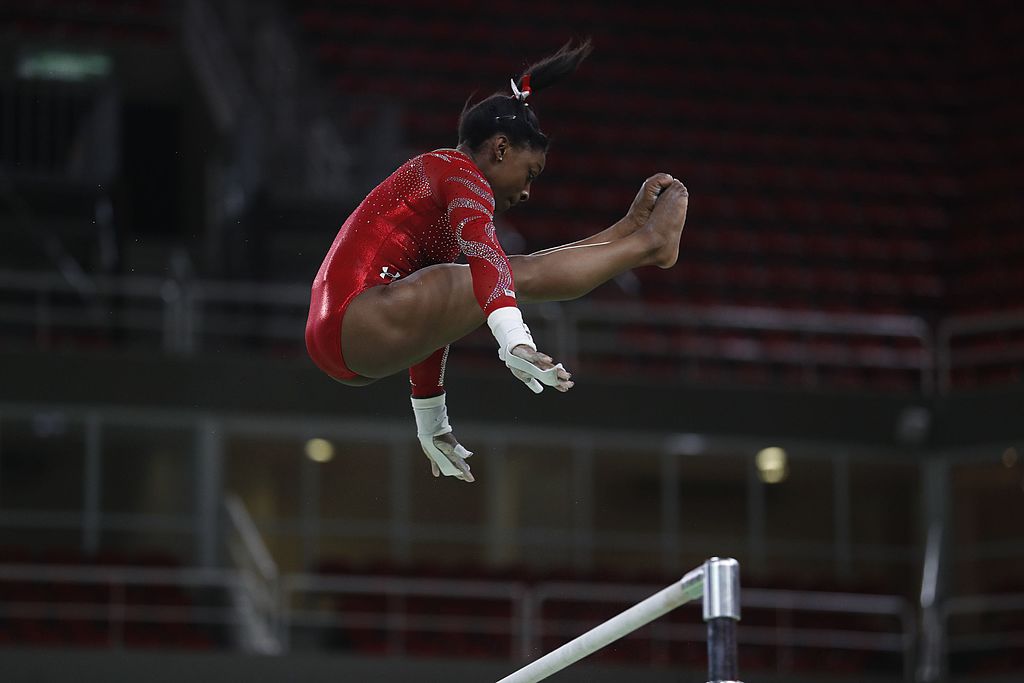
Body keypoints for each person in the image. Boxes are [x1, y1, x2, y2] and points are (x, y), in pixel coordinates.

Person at [306, 39, 689, 483]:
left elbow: (436, 321)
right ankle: (649, 246)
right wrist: (515, 341)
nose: (527, 192)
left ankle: (629, 237)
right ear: (501, 148)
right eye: (530, 174)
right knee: (510, 271)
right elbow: (488, 258)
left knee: (502, 274)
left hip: (345, 344)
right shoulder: (458, 172)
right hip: (357, 322)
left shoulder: (440, 186)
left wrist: (432, 422)